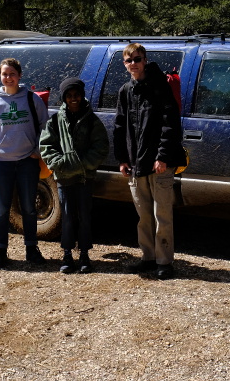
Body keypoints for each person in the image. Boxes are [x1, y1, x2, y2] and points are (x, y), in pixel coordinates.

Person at [113, 43, 186, 280]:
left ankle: (165, 262)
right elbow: (120, 126)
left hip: (158, 163)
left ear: (145, 60)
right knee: (143, 215)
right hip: (136, 163)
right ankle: (148, 257)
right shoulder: (125, 90)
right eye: (129, 60)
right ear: (124, 64)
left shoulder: (159, 87)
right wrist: (123, 159)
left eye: (137, 59)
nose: (133, 63)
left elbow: (170, 124)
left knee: (161, 214)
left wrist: (162, 156)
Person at [0, 58, 49, 269]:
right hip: (2, 163)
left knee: (29, 207)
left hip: (27, 161)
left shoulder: (31, 99)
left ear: (19, 75)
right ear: (0, 76)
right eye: (4, 74)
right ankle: (0, 250)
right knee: (1, 209)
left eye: (12, 74)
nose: (8, 78)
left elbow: (45, 127)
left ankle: (31, 248)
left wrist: (38, 151)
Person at [39, 77, 109, 274]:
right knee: (68, 217)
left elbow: (101, 146)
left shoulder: (92, 120)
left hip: (85, 177)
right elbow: (46, 146)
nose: (73, 98)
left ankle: (85, 254)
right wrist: (61, 164)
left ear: (82, 95)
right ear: (64, 98)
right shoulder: (55, 121)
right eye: (69, 96)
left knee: (85, 216)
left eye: (76, 94)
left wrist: (82, 164)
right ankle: (67, 254)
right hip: (64, 178)